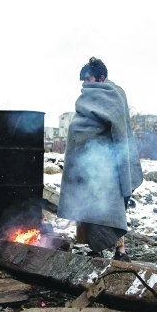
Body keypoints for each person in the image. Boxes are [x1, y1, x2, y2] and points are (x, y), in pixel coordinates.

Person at [58, 57, 143, 262]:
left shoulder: (114, 95)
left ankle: (120, 252)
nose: (85, 84)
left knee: (111, 208)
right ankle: (95, 249)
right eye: (83, 81)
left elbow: (120, 131)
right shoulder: (86, 99)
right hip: (89, 164)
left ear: (101, 77)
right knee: (87, 204)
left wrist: (120, 164)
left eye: (88, 79)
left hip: (109, 164)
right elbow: (81, 128)